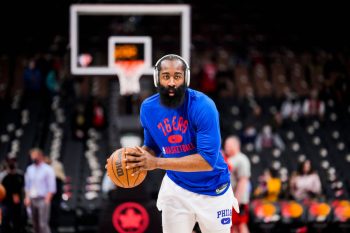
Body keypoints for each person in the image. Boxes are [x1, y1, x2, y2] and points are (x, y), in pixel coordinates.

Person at [118, 54, 239, 233]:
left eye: (177, 76)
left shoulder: (203, 106)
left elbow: (207, 161)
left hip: (213, 188)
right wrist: (137, 160)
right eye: (166, 76)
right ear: (157, 79)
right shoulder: (148, 108)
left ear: (186, 79)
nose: (172, 82)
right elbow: (152, 147)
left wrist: (157, 163)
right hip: (177, 187)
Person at [24, 148, 56, 233]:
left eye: (35, 156)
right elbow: (27, 186)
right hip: (32, 199)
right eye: (32, 156)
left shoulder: (48, 169)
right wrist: (27, 197)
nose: (34, 158)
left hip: (43, 199)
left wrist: (47, 199)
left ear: (40, 156)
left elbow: (52, 187)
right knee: (34, 224)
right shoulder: (29, 169)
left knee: (43, 224)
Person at [224, 136, 251, 233]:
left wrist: (236, 201)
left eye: (228, 145)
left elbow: (243, 181)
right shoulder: (230, 158)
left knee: (241, 224)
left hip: (239, 200)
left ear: (235, 145)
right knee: (233, 226)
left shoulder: (241, 159)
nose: (226, 147)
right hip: (231, 199)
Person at [1, 156, 26, 233]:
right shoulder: (2, 176)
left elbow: (24, 188)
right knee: (4, 223)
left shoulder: (20, 175)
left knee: (17, 223)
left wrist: (23, 199)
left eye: (13, 161)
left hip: (17, 204)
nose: (11, 163)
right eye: (9, 161)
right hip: (4, 203)